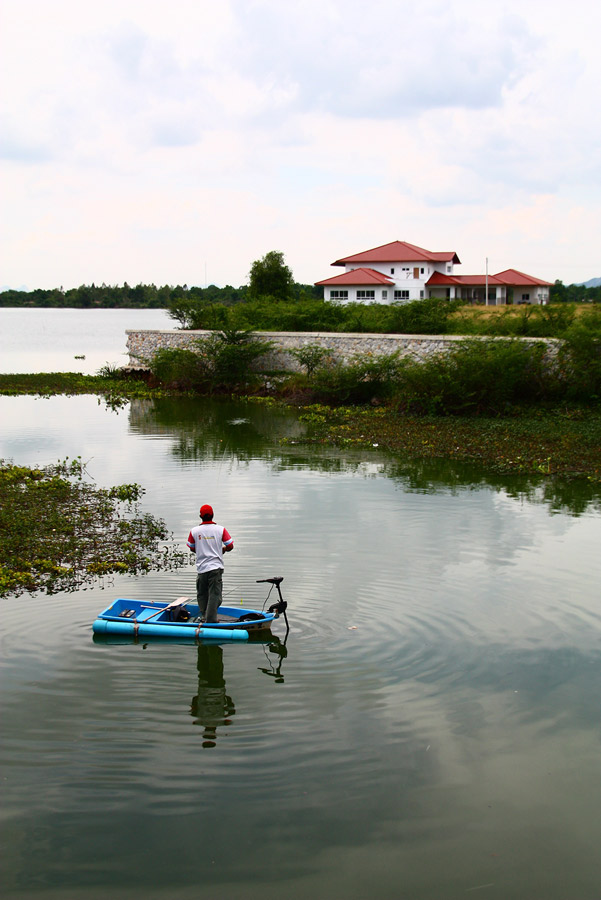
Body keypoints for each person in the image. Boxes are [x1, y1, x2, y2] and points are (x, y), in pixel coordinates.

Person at [187, 504, 234, 623]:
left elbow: (192, 548)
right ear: (213, 515)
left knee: (202, 594)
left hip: (202, 568)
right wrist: (222, 550)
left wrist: (201, 549)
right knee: (215, 594)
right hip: (216, 568)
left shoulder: (194, 531)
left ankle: (204, 616)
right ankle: (211, 620)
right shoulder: (220, 529)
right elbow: (230, 545)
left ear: (200, 516)